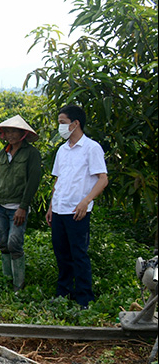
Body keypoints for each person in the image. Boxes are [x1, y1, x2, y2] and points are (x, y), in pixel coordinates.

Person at [46, 104, 108, 309]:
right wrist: (50, 206)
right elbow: (58, 180)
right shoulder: (62, 151)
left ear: (75, 123)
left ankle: (85, 298)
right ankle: (63, 294)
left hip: (77, 211)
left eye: (62, 123)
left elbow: (102, 179)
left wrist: (86, 200)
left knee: (79, 254)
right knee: (61, 254)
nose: (60, 127)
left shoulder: (91, 148)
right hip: (59, 209)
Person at [0, 115, 43, 292]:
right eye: (8, 131)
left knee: (14, 243)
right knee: (3, 243)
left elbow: (33, 181)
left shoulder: (32, 153)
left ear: (23, 133)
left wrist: (23, 206)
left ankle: (18, 286)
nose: (10, 135)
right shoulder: (3, 153)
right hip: (1, 204)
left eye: (14, 131)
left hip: (18, 207)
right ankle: (7, 280)